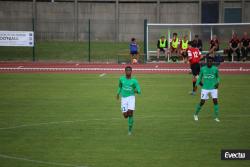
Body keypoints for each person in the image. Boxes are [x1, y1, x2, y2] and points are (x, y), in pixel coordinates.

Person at [194, 57, 221, 122]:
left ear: (212, 62)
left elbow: (218, 77)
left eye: (210, 62)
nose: (209, 63)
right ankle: (195, 114)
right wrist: (196, 85)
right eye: (208, 61)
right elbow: (200, 78)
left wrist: (218, 83)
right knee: (202, 102)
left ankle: (216, 117)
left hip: (213, 88)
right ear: (206, 62)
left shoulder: (215, 69)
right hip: (205, 88)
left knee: (215, 101)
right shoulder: (203, 69)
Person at [117, 66, 141, 135]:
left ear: (131, 71)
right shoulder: (121, 79)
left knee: (130, 113)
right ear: (125, 71)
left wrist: (136, 91)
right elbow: (120, 86)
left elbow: (139, 90)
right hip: (124, 98)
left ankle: (130, 130)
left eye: (129, 70)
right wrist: (118, 93)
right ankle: (127, 113)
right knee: (125, 116)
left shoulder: (134, 81)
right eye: (127, 70)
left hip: (131, 98)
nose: (128, 72)